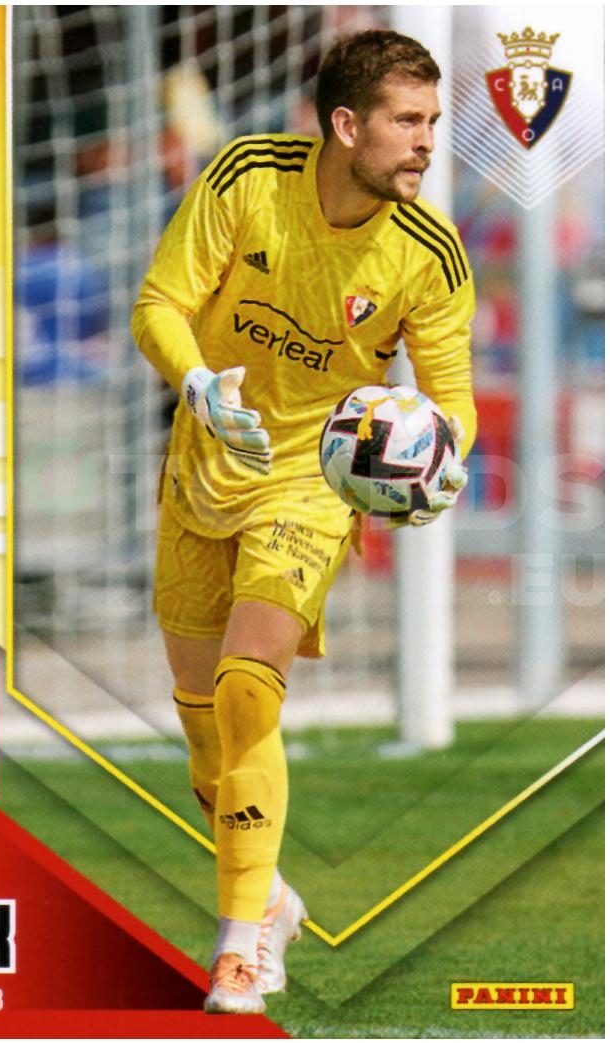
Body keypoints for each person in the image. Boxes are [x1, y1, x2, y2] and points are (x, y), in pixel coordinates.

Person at [131, 28, 476, 1014]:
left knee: (247, 688)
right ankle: (272, 898)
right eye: (405, 122)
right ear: (345, 125)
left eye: (431, 121)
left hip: (313, 481)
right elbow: (158, 304)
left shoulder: (429, 254)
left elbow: (450, 401)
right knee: (206, 736)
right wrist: (198, 383)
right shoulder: (246, 176)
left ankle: (238, 945)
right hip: (204, 459)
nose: (425, 141)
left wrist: (430, 465)